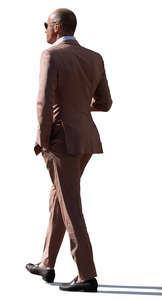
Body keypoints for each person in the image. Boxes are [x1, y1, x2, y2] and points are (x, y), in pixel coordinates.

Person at [25, 8, 113, 292]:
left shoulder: (50, 55)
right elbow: (105, 103)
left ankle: (87, 274)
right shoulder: (94, 58)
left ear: (58, 27)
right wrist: (78, 108)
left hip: (60, 141)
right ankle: (46, 263)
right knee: (59, 197)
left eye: (46, 25)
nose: (45, 30)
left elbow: (43, 101)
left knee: (70, 205)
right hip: (86, 138)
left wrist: (42, 139)